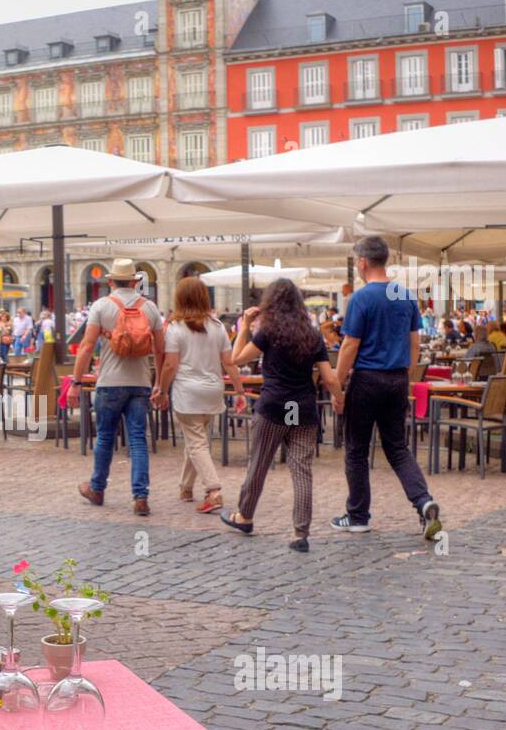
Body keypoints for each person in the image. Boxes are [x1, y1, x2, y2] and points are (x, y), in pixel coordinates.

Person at [219, 280, 344, 553]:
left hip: (274, 405)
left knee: (259, 464)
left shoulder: (268, 331)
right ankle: (301, 533)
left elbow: (237, 358)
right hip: (302, 407)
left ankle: (245, 516)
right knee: (301, 471)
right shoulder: (312, 335)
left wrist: (245, 325)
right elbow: (329, 377)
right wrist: (339, 397)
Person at [332, 234, 441, 540]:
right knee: (397, 448)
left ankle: (358, 516)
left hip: (366, 380)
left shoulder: (361, 299)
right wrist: (405, 374)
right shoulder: (405, 295)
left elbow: (350, 345)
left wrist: (337, 386)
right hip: (396, 379)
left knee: (356, 450)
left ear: (362, 262)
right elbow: (415, 342)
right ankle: (423, 501)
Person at [69, 258, 166, 517]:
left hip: (110, 382)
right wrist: (160, 384)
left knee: (105, 437)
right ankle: (141, 496)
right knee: (137, 439)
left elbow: (87, 347)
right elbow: (160, 349)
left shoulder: (101, 306)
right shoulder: (151, 308)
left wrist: (76, 383)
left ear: (110, 281)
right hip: (140, 383)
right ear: (135, 281)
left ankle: (97, 489)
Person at [156, 276, 246, 514]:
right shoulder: (217, 326)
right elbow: (230, 363)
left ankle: (213, 490)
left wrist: (162, 390)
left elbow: (169, 366)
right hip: (212, 391)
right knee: (197, 441)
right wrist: (239, 391)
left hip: (188, 393)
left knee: (196, 443)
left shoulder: (175, 327)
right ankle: (185, 488)